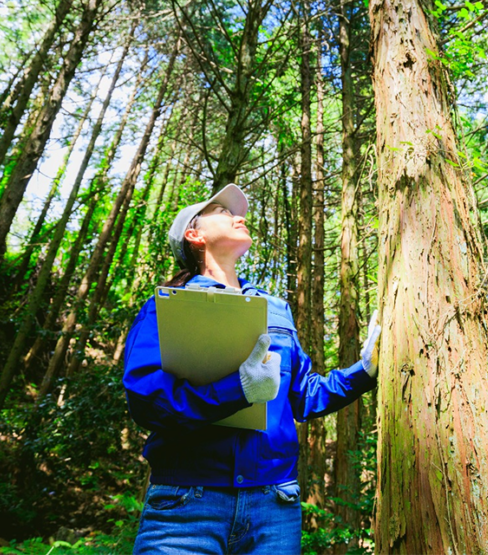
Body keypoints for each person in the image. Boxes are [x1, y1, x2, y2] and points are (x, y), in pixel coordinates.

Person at [123, 183, 381, 554]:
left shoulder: (275, 308)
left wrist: (365, 370)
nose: (239, 216)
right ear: (195, 235)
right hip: (185, 504)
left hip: (273, 505)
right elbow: (147, 399)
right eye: (224, 213)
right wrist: (238, 389)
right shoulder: (164, 307)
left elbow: (304, 396)